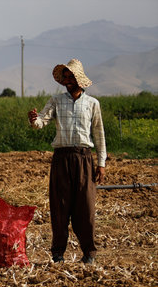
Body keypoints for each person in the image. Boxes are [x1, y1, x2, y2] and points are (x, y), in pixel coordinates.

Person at [28, 58, 106, 264]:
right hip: (61, 158)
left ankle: (89, 253)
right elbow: (41, 121)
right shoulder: (55, 101)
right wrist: (34, 120)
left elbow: (99, 135)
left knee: (85, 207)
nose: (68, 80)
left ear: (80, 79)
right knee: (60, 206)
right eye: (66, 77)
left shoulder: (92, 104)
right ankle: (58, 253)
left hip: (84, 158)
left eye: (72, 76)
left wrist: (102, 163)